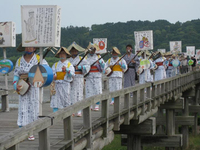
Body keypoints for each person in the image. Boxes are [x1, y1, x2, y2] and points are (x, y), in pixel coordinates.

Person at [13, 44, 48, 141]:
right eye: (27, 46)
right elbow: (16, 75)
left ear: (34, 48)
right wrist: (16, 85)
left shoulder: (39, 59)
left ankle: (31, 131)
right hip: (23, 87)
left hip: (34, 87)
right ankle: (22, 131)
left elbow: (47, 73)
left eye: (31, 46)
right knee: (23, 109)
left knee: (33, 108)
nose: (29, 48)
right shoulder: (19, 60)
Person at [68, 42, 90, 117]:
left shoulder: (82, 59)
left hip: (79, 77)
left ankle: (79, 110)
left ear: (77, 51)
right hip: (71, 79)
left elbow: (87, 67)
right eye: (72, 51)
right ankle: (72, 110)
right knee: (71, 94)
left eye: (75, 51)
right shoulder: (68, 60)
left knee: (79, 94)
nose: (74, 52)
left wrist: (81, 67)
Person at [50, 47, 75, 112]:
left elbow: (72, 75)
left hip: (65, 84)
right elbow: (52, 73)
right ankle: (55, 114)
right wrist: (53, 76)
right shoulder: (55, 65)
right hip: (57, 85)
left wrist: (67, 70)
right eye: (60, 53)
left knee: (66, 99)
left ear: (66, 55)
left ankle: (67, 113)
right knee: (55, 100)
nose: (62, 55)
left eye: (63, 53)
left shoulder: (69, 65)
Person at [85, 42, 105, 111]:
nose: (92, 51)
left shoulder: (99, 57)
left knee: (97, 90)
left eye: (93, 50)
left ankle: (97, 105)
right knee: (89, 91)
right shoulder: (86, 58)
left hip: (97, 76)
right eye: (91, 50)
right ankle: (89, 105)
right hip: (89, 76)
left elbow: (104, 67)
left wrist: (101, 64)